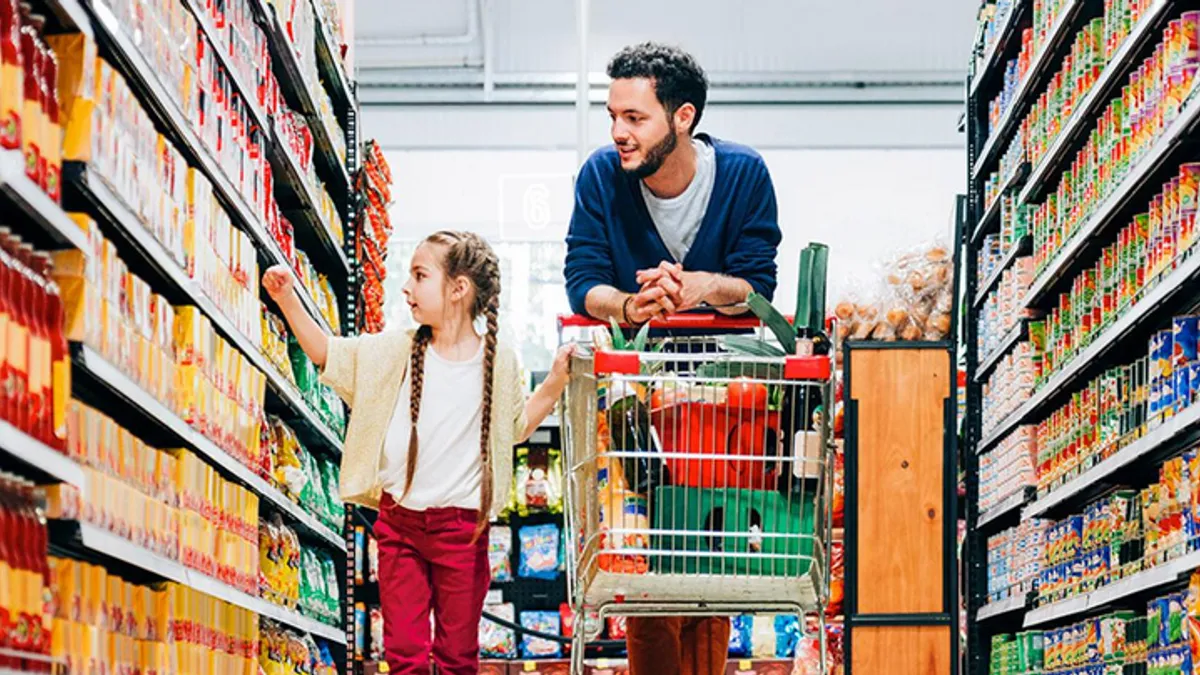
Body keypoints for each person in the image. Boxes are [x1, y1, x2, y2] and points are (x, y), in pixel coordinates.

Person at [563, 42, 783, 675]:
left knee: (708, 554)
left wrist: (704, 287)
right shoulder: (601, 178)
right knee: (646, 561)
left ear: (682, 117)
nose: (618, 133)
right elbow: (584, 280)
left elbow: (755, 285)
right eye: (614, 116)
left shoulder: (743, 175)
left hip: (724, 394)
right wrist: (632, 306)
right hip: (639, 394)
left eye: (635, 118)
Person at [264, 231, 572, 675]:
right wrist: (287, 297)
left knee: (458, 657)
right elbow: (327, 353)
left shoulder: (499, 360)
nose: (406, 287)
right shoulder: (395, 350)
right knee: (403, 653)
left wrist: (556, 380)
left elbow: (516, 427)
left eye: (419, 275)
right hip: (400, 525)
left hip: (463, 531)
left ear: (458, 289)